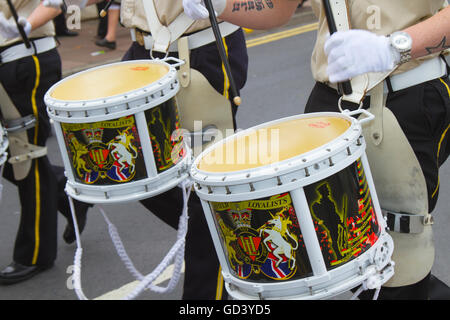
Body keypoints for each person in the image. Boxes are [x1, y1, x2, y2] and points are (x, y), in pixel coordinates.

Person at [183, 0, 450, 299]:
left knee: (399, 264)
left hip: (403, 93)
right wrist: (223, 5)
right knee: (333, 247)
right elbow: (280, 8)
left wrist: (395, 47)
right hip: (329, 100)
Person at [0, 0, 90, 285]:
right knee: (10, 156)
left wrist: (26, 24)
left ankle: (36, 252)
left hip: (22, 57)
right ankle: (65, 191)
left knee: (25, 155)